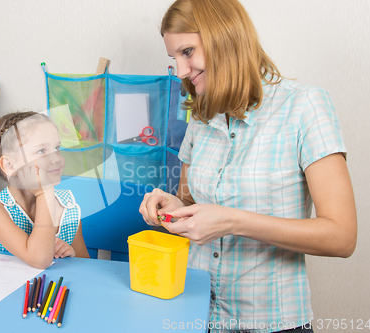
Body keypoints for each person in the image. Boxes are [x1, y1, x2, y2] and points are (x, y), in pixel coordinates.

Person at [139, 0, 357, 332]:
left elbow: (342, 236)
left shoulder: (304, 106)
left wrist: (234, 222)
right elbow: (191, 203)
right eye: (174, 58)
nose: (180, 71)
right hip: (195, 314)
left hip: (271, 321)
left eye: (187, 52)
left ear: (223, 37)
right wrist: (174, 207)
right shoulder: (201, 115)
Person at [0, 111, 89, 269]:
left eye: (57, 148)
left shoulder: (67, 207)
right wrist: (43, 193)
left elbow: (86, 265)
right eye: (41, 151)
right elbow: (39, 259)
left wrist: (70, 253)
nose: (57, 158)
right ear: (10, 166)